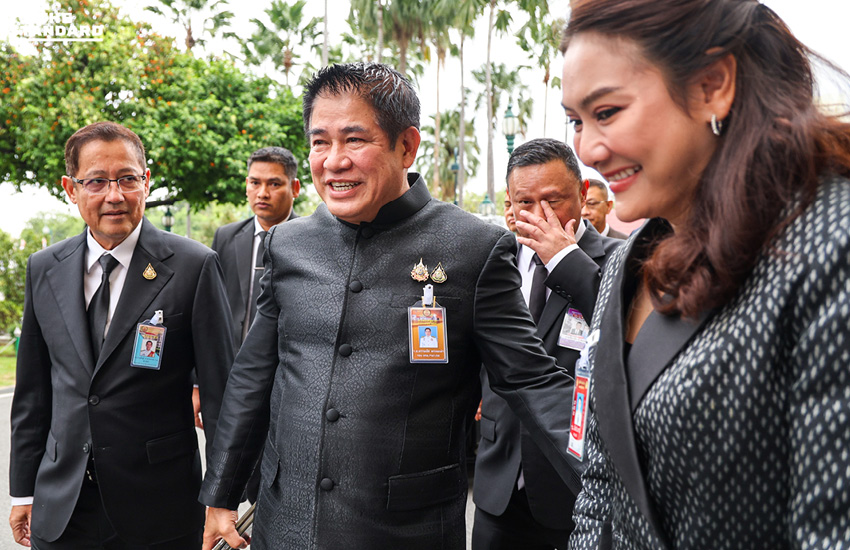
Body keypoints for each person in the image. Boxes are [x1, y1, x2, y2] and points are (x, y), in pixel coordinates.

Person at [199, 63, 578, 550]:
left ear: (407, 145)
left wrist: (621, 470)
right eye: (320, 142)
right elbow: (254, 374)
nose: (334, 161)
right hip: (286, 524)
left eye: (354, 139)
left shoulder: (475, 248)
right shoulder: (288, 245)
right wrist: (221, 493)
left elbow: (531, 380)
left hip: (406, 530)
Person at [560, 0, 850, 548]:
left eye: (607, 112)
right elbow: (601, 482)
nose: (588, 150)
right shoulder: (627, 264)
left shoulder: (827, 243)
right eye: (575, 121)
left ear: (712, 85)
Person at [9, 121, 234, 549]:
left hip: (160, 508)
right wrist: (23, 490)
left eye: (127, 178)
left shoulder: (194, 266)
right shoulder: (44, 268)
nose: (114, 195)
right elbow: (33, 395)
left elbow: (223, 396)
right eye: (96, 181)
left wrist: (221, 498)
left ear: (146, 182)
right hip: (63, 507)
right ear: (71, 188)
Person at [472, 138, 622, 550]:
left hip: (574, 486)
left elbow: (623, 335)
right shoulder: (492, 260)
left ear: (583, 194)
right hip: (497, 484)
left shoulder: (617, 261)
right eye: (525, 202)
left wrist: (565, 260)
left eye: (554, 200)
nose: (540, 215)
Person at [212, 146, 301, 347]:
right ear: (246, 185)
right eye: (254, 183)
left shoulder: (311, 241)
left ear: (295, 188)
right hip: (231, 362)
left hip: (285, 368)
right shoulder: (225, 237)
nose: (262, 193)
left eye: (274, 184)